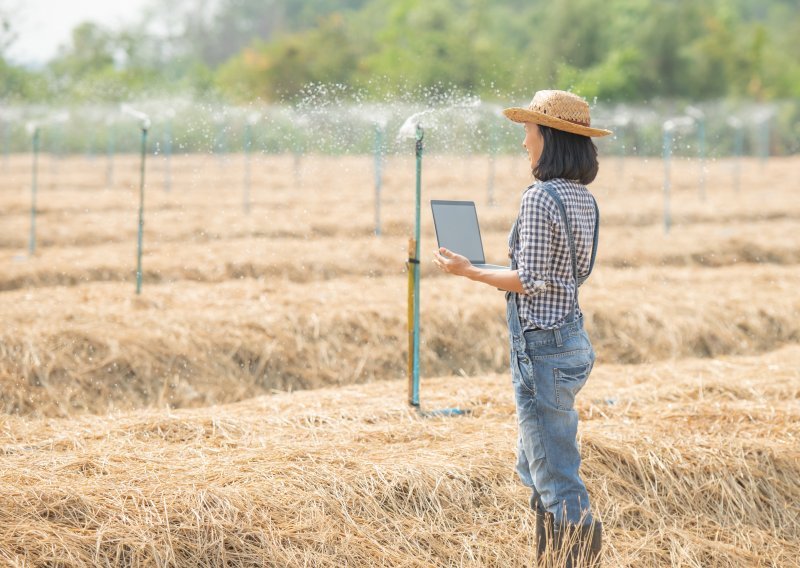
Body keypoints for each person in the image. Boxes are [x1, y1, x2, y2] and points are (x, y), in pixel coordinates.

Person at [432, 90, 611, 567]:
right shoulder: (583, 200)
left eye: (529, 132)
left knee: (554, 474)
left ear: (549, 137)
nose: (524, 142)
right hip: (570, 338)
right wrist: (478, 266)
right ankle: (548, 556)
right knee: (534, 463)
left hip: (542, 347)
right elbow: (556, 274)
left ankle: (572, 559)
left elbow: (529, 281)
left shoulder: (538, 197)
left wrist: (469, 272)